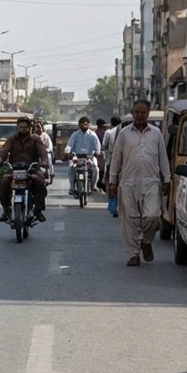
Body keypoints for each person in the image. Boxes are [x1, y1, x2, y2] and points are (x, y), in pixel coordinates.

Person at [107, 100, 171, 267]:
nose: (140, 115)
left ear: (148, 113)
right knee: (131, 221)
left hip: (151, 182)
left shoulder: (156, 133)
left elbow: (163, 158)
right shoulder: (124, 133)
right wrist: (112, 181)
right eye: (137, 112)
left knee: (153, 217)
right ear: (132, 113)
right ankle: (133, 254)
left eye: (143, 112)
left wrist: (167, 179)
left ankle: (146, 241)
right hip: (128, 182)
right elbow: (116, 159)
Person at [0, 117, 50, 223]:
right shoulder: (11, 139)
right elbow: (4, 151)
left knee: (40, 182)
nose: (23, 129)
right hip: (14, 169)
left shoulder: (35, 139)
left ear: (29, 128)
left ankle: (38, 210)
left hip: (32, 168)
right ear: (17, 128)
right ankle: (6, 210)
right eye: (21, 127)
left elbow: (43, 152)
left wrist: (44, 162)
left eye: (25, 127)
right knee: (4, 181)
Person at [65, 116, 102, 197]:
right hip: (77, 157)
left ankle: (93, 186)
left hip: (89, 157)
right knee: (71, 168)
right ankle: (72, 188)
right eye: (82, 124)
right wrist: (68, 152)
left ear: (88, 124)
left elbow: (97, 146)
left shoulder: (92, 135)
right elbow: (69, 145)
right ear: (79, 125)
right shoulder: (75, 135)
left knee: (95, 168)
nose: (84, 126)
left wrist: (97, 152)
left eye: (85, 124)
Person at [94, 118, 109, 189]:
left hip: (97, 152)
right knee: (102, 168)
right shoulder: (103, 132)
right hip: (101, 152)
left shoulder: (95, 132)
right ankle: (100, 181)